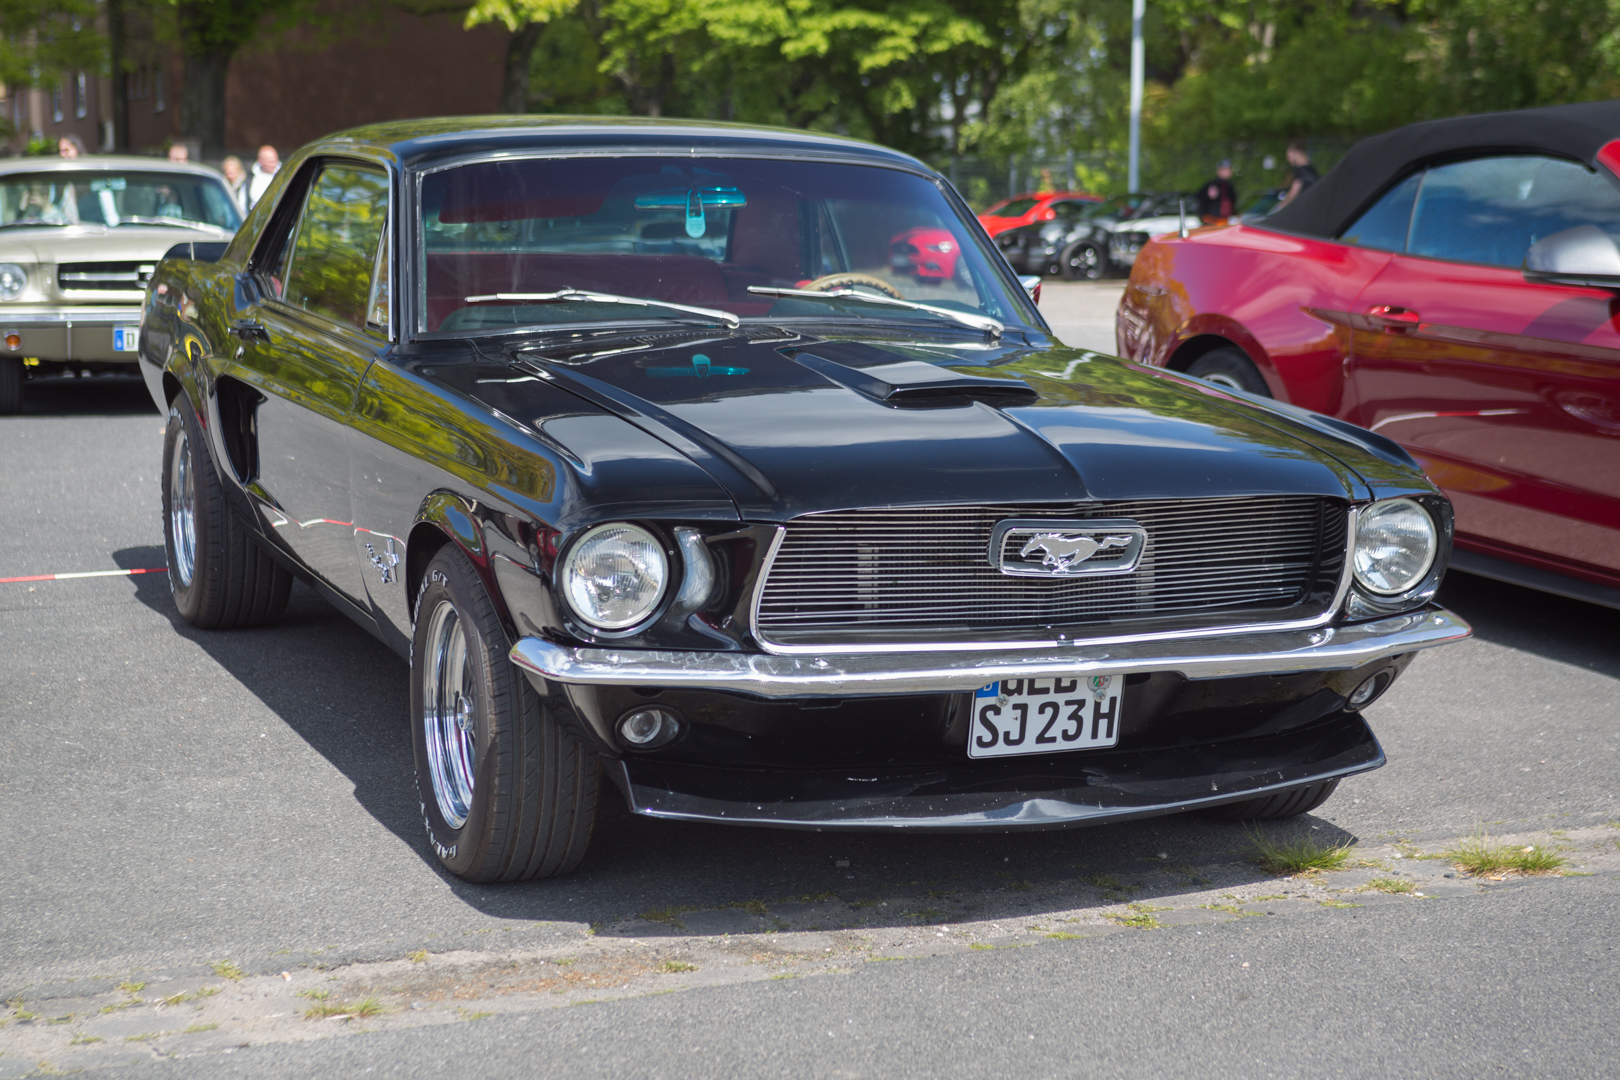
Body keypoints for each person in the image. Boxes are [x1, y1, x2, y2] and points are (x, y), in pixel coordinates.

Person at [1280, 140, 1319, 206]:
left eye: (1290, 157)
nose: (1289, 160)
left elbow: (1293, 193)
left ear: (1298, 153)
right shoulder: (1312, 170)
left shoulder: (1301, 172)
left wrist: (1281, 207)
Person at [247, 145, 280, 209]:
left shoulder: (283, 175)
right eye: (269, 162)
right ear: (260, 161)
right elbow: (242, 203)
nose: (272, 165)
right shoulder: (250, 177)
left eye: (274, 161)